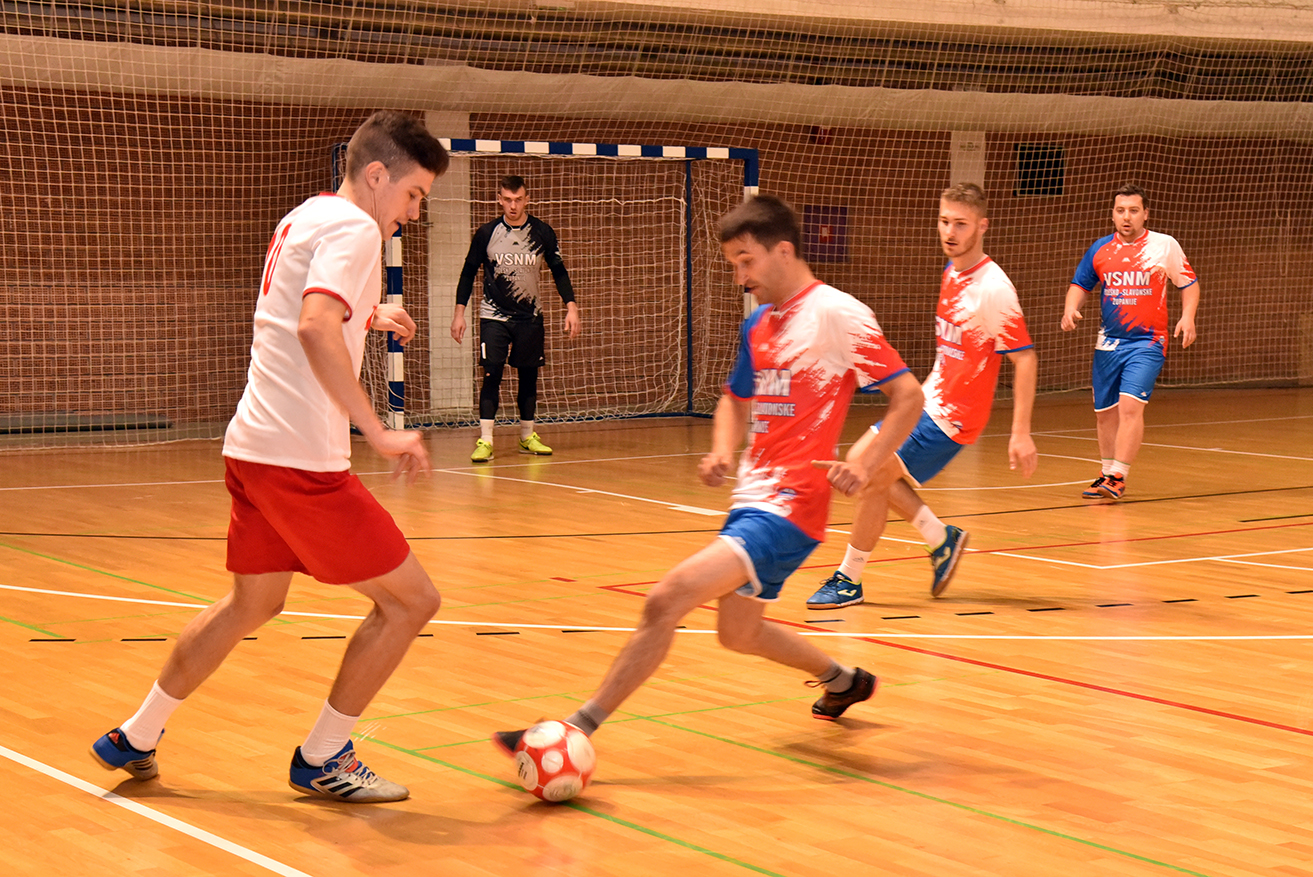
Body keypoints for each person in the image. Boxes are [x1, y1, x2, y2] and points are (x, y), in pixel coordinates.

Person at [90, 111, 449, 804]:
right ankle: (323, 755)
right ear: (377, 175)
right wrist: (379, 432)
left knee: (252, 602)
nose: (412, 213)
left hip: (252, 447)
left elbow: (298, 309)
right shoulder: (357, 229)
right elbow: (314, 325)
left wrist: (367, 314)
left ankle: (136, 733)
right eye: (413, 195)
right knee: (412, 602)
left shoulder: (305, 216)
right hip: (299, 461)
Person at [492, 194, 924, 759]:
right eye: (733, 265)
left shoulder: (838, 314)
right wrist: (723, 449)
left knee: (665, 599)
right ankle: (844, 680)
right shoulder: (760, 324)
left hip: (791, 505)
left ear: (783, 251)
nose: (740, 277)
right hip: (752, 497)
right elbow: (735, 399)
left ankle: (576, 728)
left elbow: (908, 396)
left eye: (747, 261)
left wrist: (864, 464)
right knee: (738, 633)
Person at [806, 183, 1038, 609]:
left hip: (953, 416)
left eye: (961, 224)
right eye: (944, 221)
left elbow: (1024, 359)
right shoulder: (952, 272)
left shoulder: (993, 288)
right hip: (931, 399)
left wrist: (1020, 432)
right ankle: (940, 538)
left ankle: (850, 579)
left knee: (867, 471)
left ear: (982, 227)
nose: (950, 231)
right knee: (864, 463)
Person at [1062, 184, 1199, 500]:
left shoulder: (1164, 246)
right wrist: (1070, 308)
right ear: (1112, 214)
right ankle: (1106, 472)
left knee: (1130, 407)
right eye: (1121, 210)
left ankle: (1119, 476)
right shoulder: (1100, 249)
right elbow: (1080, 284)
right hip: (1109, 344)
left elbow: (1189, 284)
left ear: (1145, 214)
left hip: (1147, 342)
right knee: (1104, 413)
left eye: (1134, 211)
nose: (1127, 217)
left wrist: (1188, 317)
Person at [450, 175, 581, 462]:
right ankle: (486, 440)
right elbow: (468, 273)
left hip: (530, 317)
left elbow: (559, 271)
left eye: (518, 200)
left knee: (528, 377)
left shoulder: (542, 232)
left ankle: (527, 436)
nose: (513, 205)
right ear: (499, 200)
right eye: (507, 200)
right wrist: (459, 314)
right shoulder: (487, 233)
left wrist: (571, 307)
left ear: (526, 199)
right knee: (492, 374)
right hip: (493, 316)